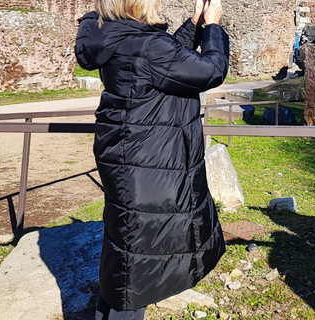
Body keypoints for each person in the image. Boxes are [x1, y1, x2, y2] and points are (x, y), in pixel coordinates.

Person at [75, 0, 229, 319]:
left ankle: (107, 312)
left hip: (129, 157)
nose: (159, 5)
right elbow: (209, 70)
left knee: (126, 248)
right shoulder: (145, 45)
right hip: (146, 162)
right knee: (138, 262)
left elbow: (168, 57)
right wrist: (213, 27)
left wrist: (195, 24)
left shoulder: (116, 36)